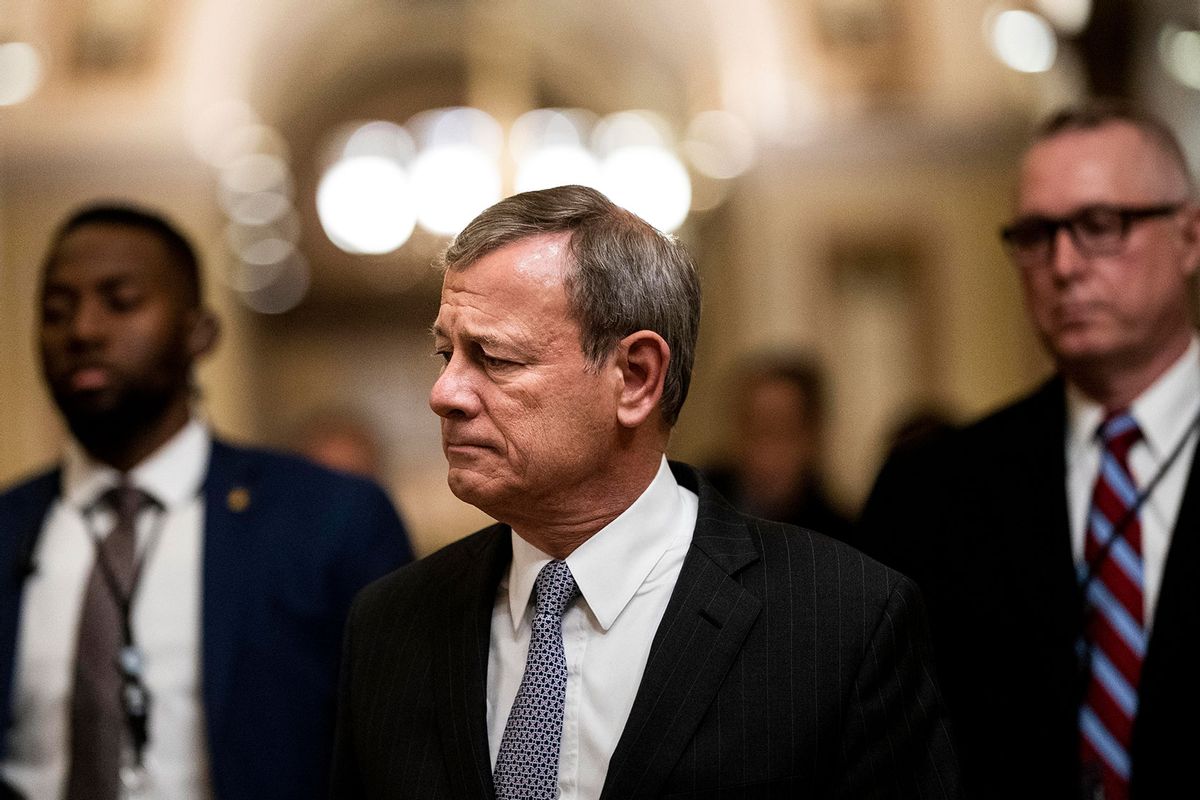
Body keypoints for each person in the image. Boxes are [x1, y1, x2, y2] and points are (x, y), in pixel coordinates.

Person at [331, 185, 959, 798]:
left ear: (635, 377)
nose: (446, 393)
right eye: (447, 355)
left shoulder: (841, 621)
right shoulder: (390, 624)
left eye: (493, 358)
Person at [0, 204, 413, 800]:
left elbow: (396, 751)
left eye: (120, 302)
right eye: (56, 311)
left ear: (200, 332)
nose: (83, 331)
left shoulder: (329, 519)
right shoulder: (11, 526)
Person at [858, 103, 1200, 799]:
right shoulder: (933, 494)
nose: (1064, 265)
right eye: (1036, 236)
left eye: (1101, 227)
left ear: (1190, 236)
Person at [702, 353, 854, 543]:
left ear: (811, 437)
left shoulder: (837, 538)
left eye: (779, 431)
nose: (763, 450)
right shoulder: (697, 506)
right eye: (752, 429)